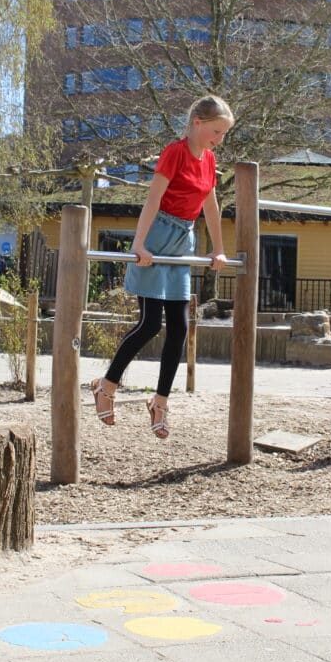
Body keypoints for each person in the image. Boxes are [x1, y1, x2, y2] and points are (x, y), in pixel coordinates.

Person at [91, 95, 234, 439]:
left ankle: (160, 401)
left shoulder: (209, 160)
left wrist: (218, 249)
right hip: (157, 237)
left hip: (182, 241)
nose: (219, 139)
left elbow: (211, 209)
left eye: (224, 134)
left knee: (180, 328)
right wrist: (139, 244)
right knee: (151, 322)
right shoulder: (175, 153)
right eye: (216, 131)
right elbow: (153, 199)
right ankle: (107, 385)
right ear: (198, 123)